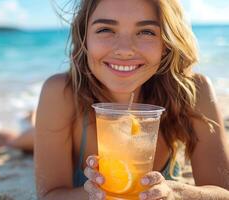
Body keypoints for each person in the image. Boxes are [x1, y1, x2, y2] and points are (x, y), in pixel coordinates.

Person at [32, 0, 229, 199]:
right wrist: (96, 194)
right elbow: (50, 194)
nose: (124, 49)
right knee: (20, 140)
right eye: (105, 29)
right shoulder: (61, 92)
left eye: (146, 32)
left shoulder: (192, 92)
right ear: (84, 38)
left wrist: (177, 193)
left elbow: (224, 193)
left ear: (166, 43)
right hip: (59, 120)